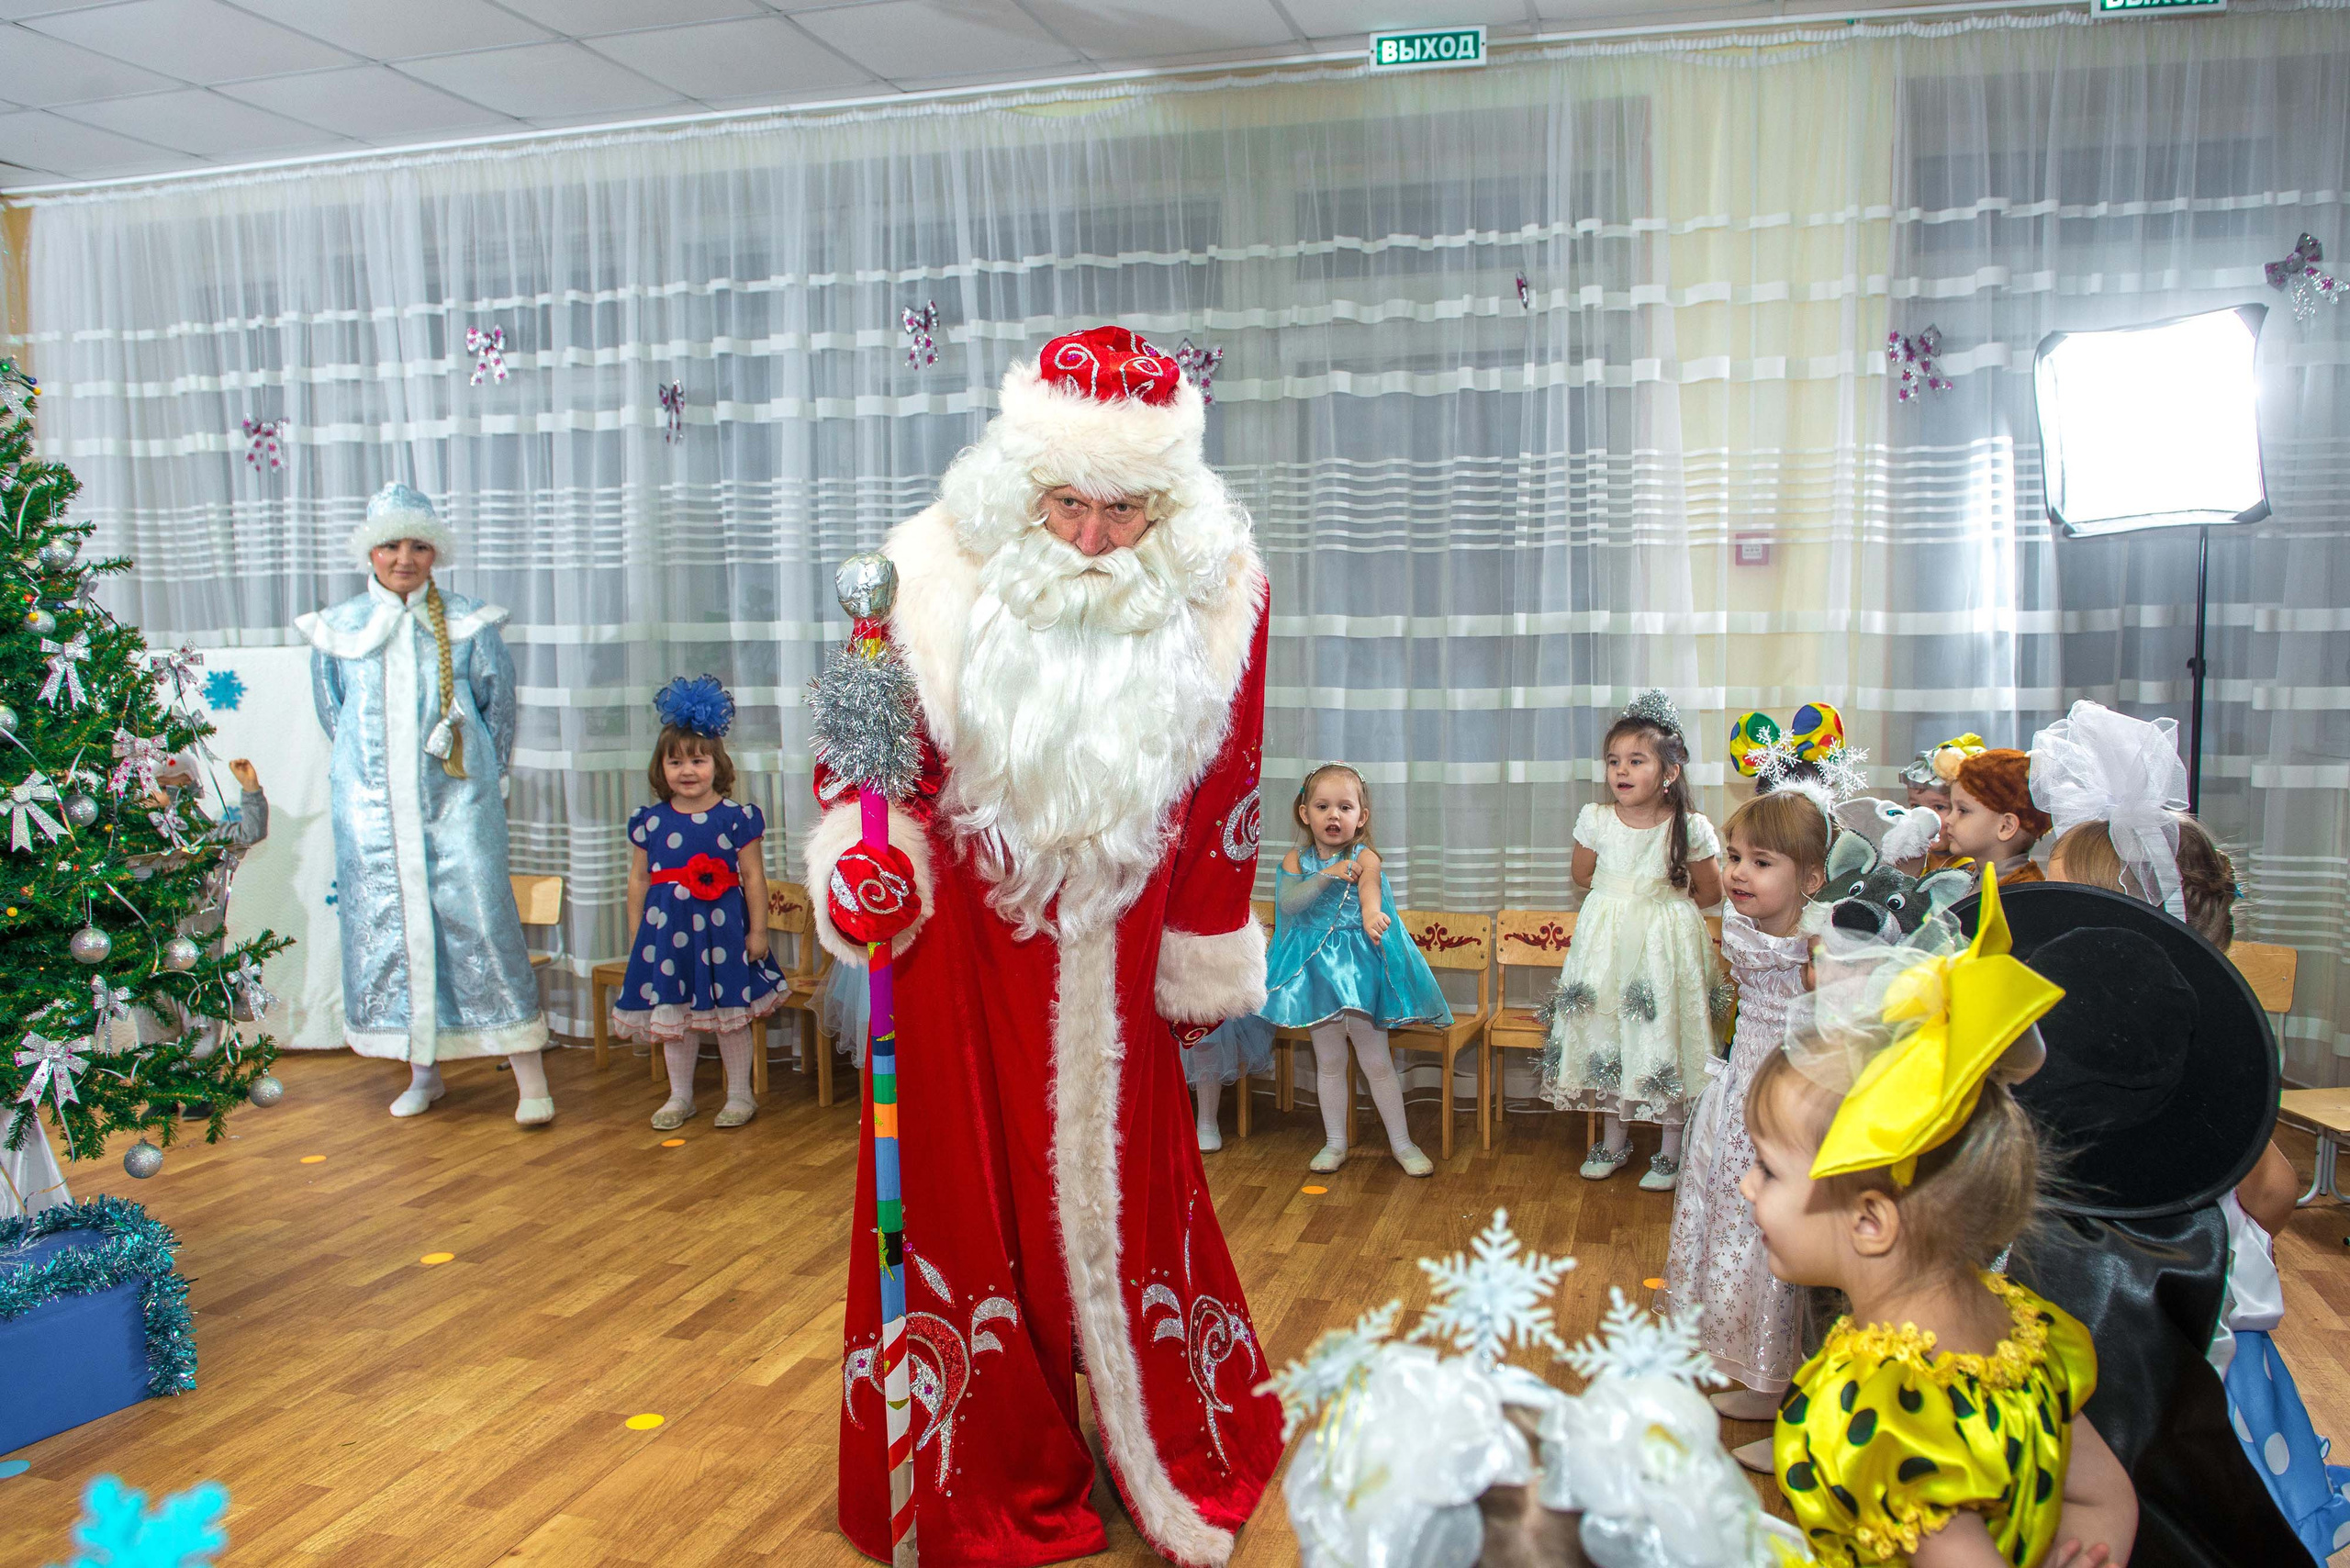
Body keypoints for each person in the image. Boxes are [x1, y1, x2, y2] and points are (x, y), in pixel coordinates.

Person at [805, 327, 1279, 1566]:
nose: (1088, 537)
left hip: (1123, 943)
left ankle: (1148, 1420)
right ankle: (991, 1457)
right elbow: (865, 768)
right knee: (967, 1188)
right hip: (958, 931)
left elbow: (1234, 772)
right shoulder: (920, 577)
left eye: (1122, 512)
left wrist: (1202, 943)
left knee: (1122, 1181)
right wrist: (872, 868)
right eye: (1066, 503)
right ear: (1024, 488)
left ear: (1165, 504)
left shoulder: (1222, 586)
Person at [1743, 876, 2138, 1568]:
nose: (1747, 1186)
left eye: (1769, 1170)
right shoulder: (2031, 1339)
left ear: (1871, 1221)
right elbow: (2106, 1502)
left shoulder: (1889, 1413)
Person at [297, 481, 551, 1124]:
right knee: (392, 926)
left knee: (481, 922)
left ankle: (530, 1076)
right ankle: (422, 1070)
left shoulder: (471, 625)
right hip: (374, 813)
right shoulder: (340, 633)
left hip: (458, 802)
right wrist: (368, 786)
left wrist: (480, 784)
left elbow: (499, 708)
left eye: (417, 546)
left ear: (435, 553)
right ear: (371, 554)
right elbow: (337, 716)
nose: (404, 558)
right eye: (390, 546)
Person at [1656, 785, 1827, 1472]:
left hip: (1794, 1098)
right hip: (1740, 1094)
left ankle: (1801, 1401)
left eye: (1761, 862)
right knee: (1734, 1225)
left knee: (1783, 1243)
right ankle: (1767, 1373)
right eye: (1732, 857)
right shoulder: (1741, 920)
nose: (1737, 874)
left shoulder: (1823, 941)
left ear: (1811, 879)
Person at [1539, 690, 1722, 1191]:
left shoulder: (1691, 827)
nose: (1621, 771)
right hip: (1606, 942)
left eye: (1636, 761)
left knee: (1665, 1030)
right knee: (1609, 1029)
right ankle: (1615, 1141)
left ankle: (1670, 1146)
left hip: (1665, 944)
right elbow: (1582, 876)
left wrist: (1661, 898)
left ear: (1668, 772)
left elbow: (1710, 891)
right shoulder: (1596, 819)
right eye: (1613, 761)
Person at [1259, 762, 1451, 1177]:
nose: (1334, 815)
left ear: (1360, 817)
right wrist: (1327, 874)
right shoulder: (1297, 859)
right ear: (1304, 813)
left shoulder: (1365, 856)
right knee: (1328, 1060)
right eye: (1323, 806)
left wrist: (1371, 917)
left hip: (1358, 969)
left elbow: (1370, 891)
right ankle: (1335, 1142)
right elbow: (1290, 904)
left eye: (1345, 807)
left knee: (1376, 1060)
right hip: (1315, 971)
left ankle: (1402, 1142)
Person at [610, 676, 778, 1131]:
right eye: (675, 761)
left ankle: (740, 1095)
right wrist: (636, 934)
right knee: (674, 1015)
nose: (687, 770)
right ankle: (680, 1096)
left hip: (723, 934)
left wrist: (758, 931)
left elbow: (753, 877)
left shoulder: (736, 818)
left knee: (731, 1018)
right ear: (660, 768)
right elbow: (639, 879)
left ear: (717, 764)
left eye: (698, 760)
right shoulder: (650, 823)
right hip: (668, 937)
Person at [1946, 748, 2047, 887]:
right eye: (1952, 808)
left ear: (2006, 826)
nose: (1948, 820)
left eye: (1963, 810)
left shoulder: (2024, 896)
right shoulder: (1964, 881)